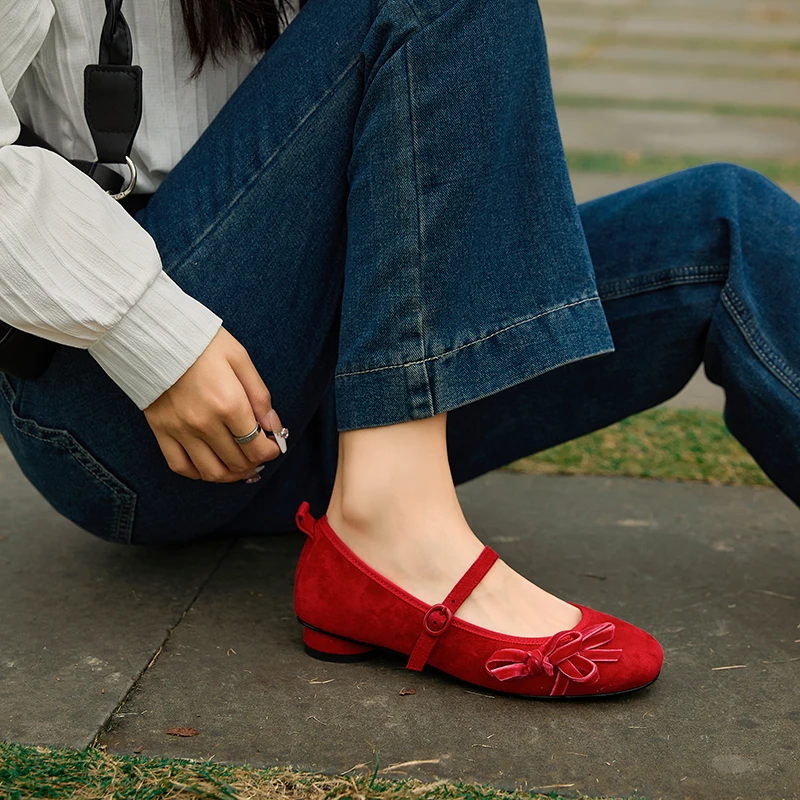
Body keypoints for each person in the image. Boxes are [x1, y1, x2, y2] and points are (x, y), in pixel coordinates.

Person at [1, 0, 798, 699]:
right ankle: (391, 525)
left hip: (327, 387)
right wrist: (145, 328)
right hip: (123, 411)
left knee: (726, 227)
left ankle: (383, 488)